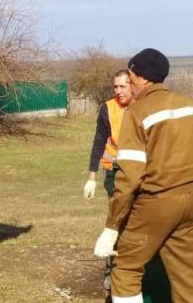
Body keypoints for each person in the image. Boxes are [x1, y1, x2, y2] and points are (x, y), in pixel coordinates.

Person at [93, 48, 193, 303]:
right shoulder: (189, 106)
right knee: (189, 279)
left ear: (140, 77)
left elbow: (130, 177)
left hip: (156, 201)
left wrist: (112, 227)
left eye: (131, 75)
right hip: (192, 201)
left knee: (126, 270)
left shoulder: (137, 112)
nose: (129, 81)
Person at [83, 69, 135, 298]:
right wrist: (91, 176)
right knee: (116, 220)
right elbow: (98, 141)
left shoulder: (144, 106)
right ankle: (110, 273)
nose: (118, 91)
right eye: (115, 87)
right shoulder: (108, 108)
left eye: (122, 87)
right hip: (114, 172)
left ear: (132, 85)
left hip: (140, 170)